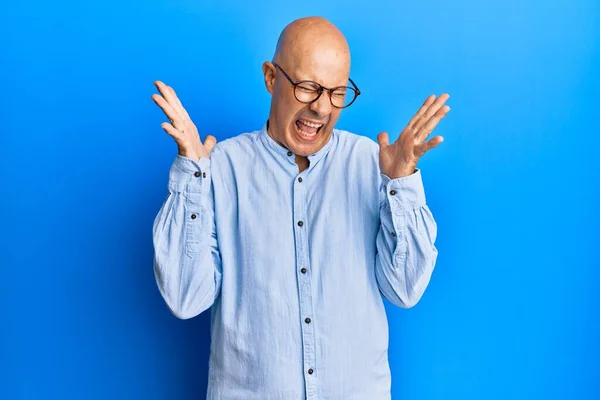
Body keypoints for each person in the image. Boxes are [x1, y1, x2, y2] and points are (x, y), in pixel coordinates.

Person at [151, 16, 449, 400]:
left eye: (337, 92)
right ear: (271, 78)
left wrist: (401, 184)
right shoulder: (221, 168)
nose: (322, 108)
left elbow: (406, 289)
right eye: (308, 87)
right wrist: (191, 178)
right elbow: (184, 297)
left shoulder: (375, 164)